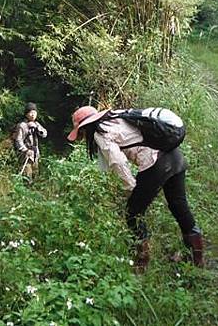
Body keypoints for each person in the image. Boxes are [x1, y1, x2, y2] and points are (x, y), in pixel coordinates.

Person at [67, 106, 204, 273]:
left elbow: (118, 162)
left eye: (80, 132)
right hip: (174, 155)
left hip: (156, 163)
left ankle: (141, 261)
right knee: (178, 204)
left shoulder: (100, 132)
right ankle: (196, 259)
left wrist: (131, 187)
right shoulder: (117, 116)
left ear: (85, 127)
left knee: (133, 213)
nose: (81, 136)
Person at [13, 102, 47, 178]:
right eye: (30, 112)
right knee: (27, 175)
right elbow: (18, 140)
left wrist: (38, 128)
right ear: (26, 114)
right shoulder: (22, 125)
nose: (33, 115)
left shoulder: (37, 124)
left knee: (35, 173)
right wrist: (25, 150)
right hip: (26, 154)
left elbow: (44, 134)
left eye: (34, 113)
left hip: (35, 154)